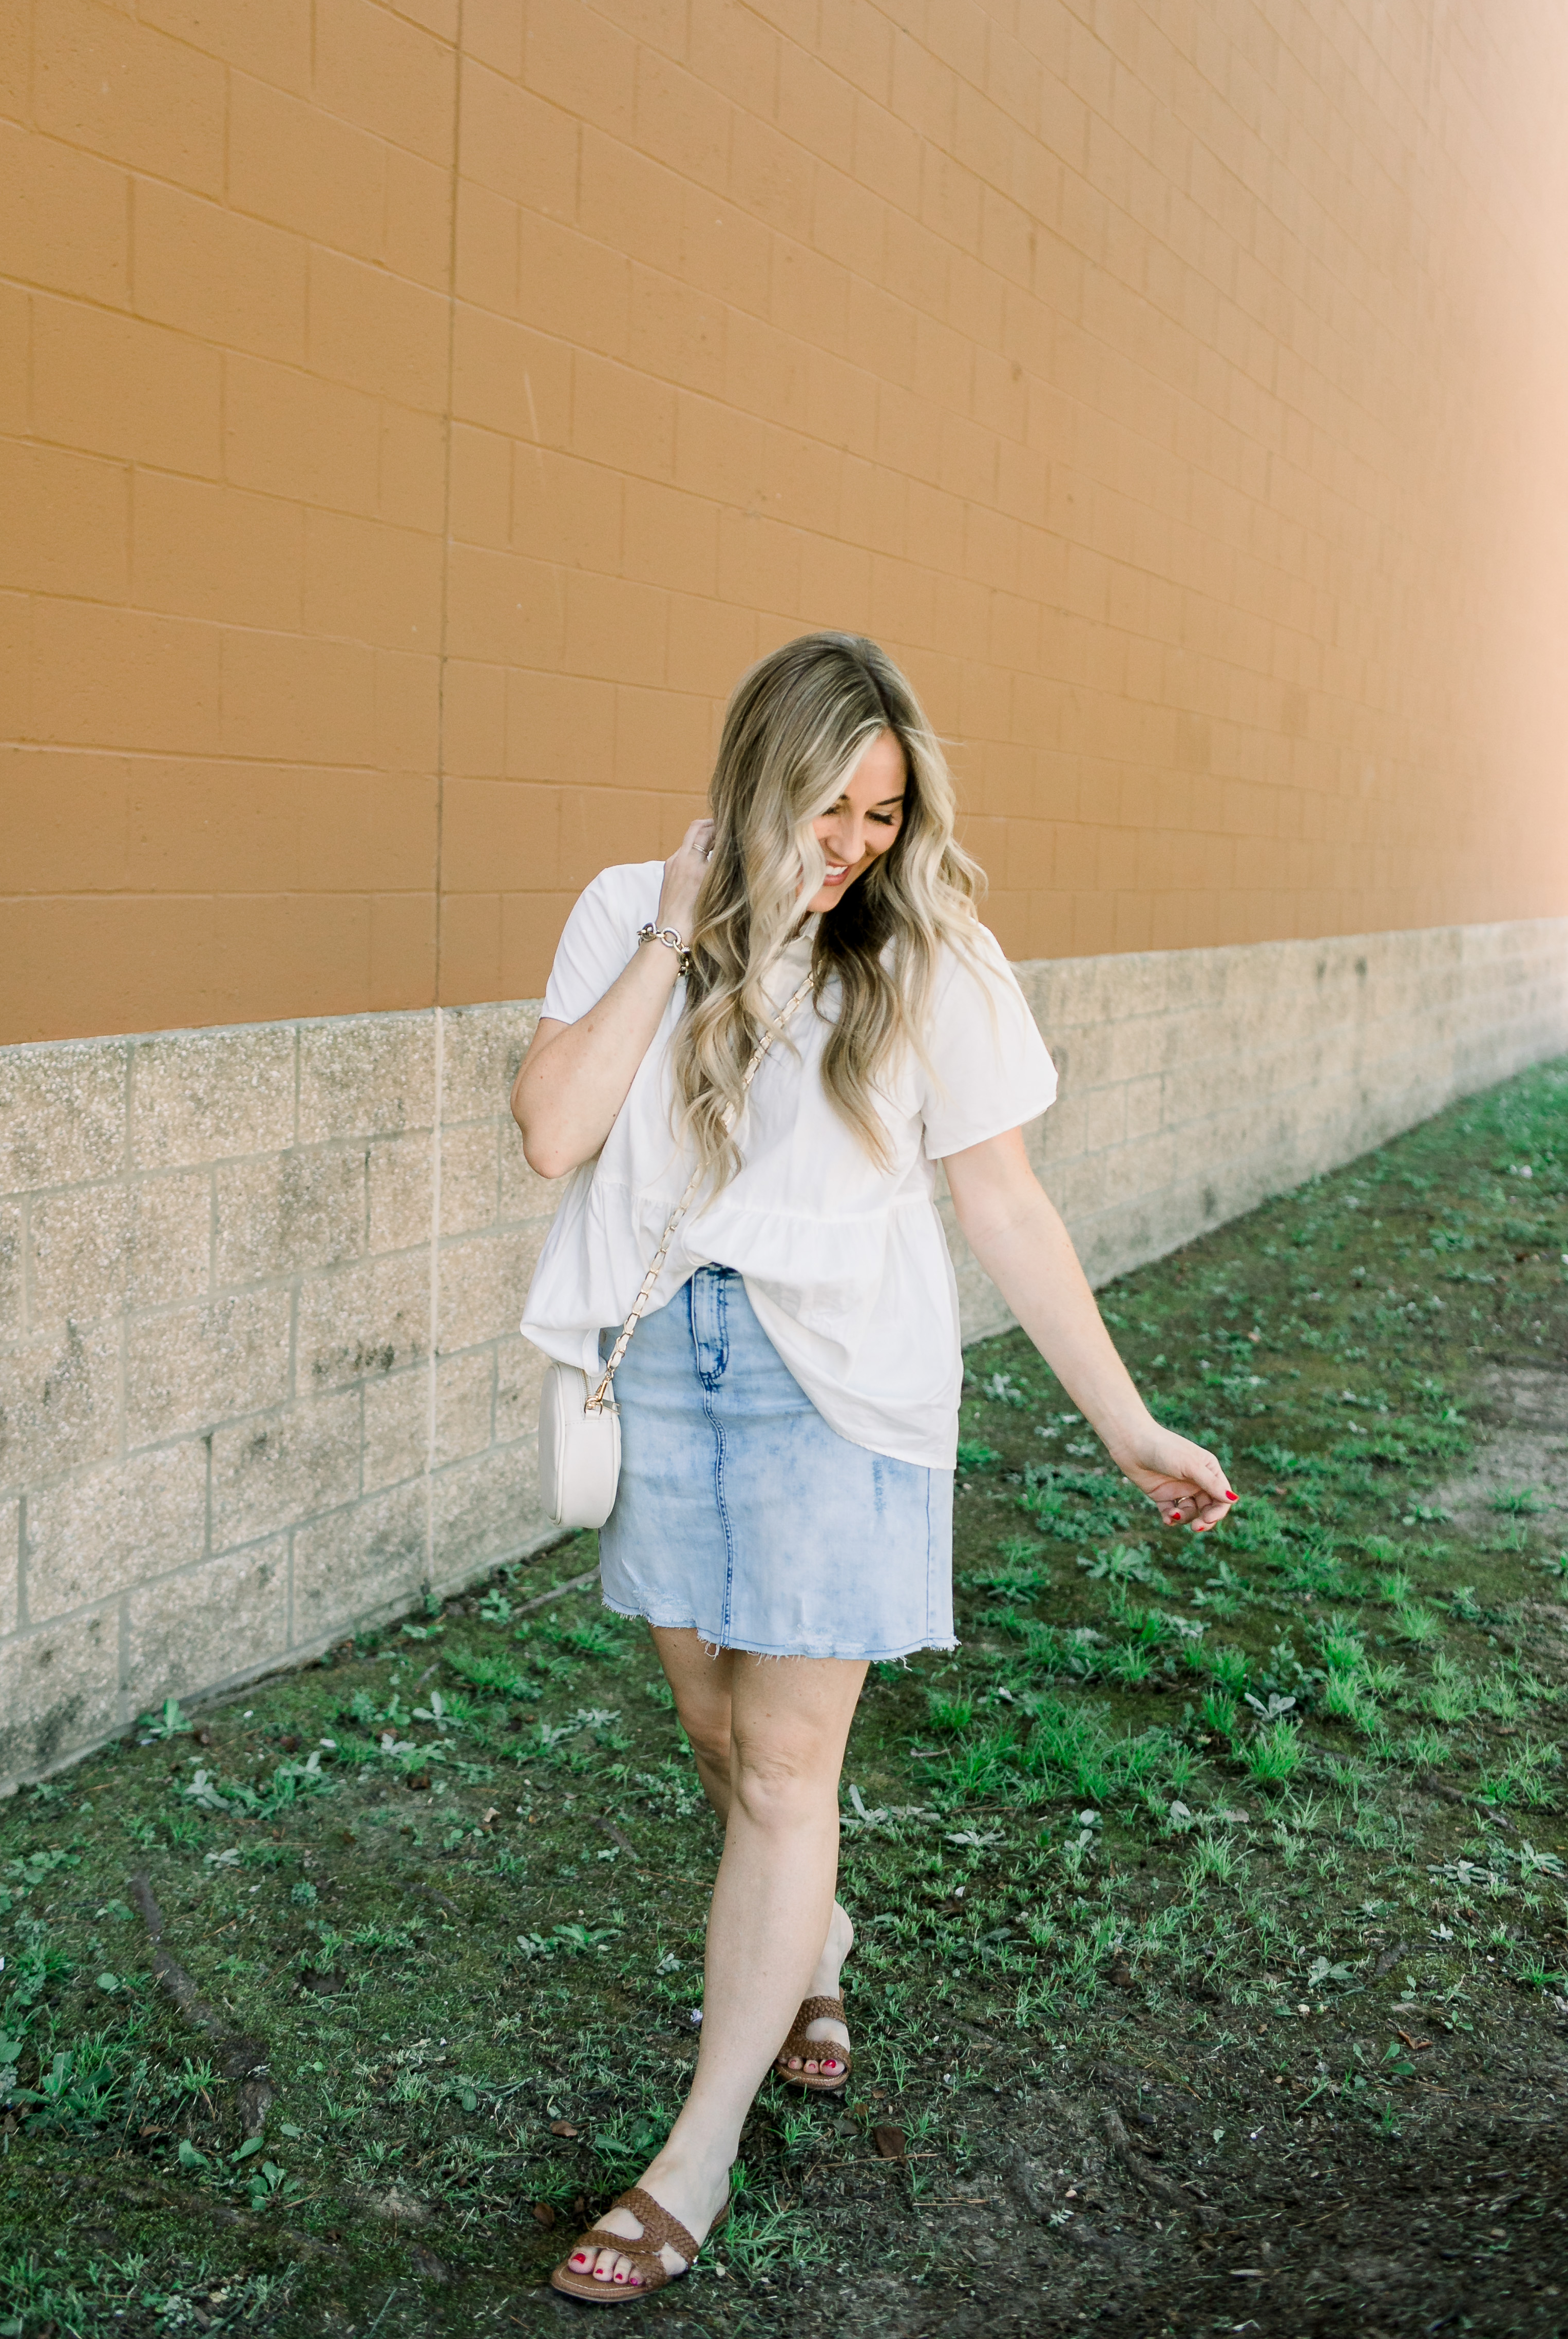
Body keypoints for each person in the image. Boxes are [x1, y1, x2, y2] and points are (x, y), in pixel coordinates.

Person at [512, 634, 1235, 2302]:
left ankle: (693, 2155)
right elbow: (553, 1132)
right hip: (667, 1375)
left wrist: (1124, 1421)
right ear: (754, 780)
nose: (850, 847)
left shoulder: (934, 955)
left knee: (782, 1771)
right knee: (717, 1733)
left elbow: (1004, 1203)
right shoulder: (631, 902)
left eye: (882, 815)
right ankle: (812, 1947)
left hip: (840, 1391)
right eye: (825, 807)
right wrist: (679, 929)